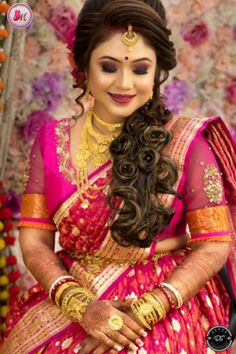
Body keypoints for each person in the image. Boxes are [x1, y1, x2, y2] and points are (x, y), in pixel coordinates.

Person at [1, 0, 236, 353]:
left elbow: (214, 243)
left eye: (140, 69)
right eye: (109, 66)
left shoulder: (187, 143)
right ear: (82, 67)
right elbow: (34, 243)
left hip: (168, 293)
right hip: (74, 289)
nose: (125, 84)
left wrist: (147, 310)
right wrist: (82, 306)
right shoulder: (51, 140)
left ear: (157, 72)